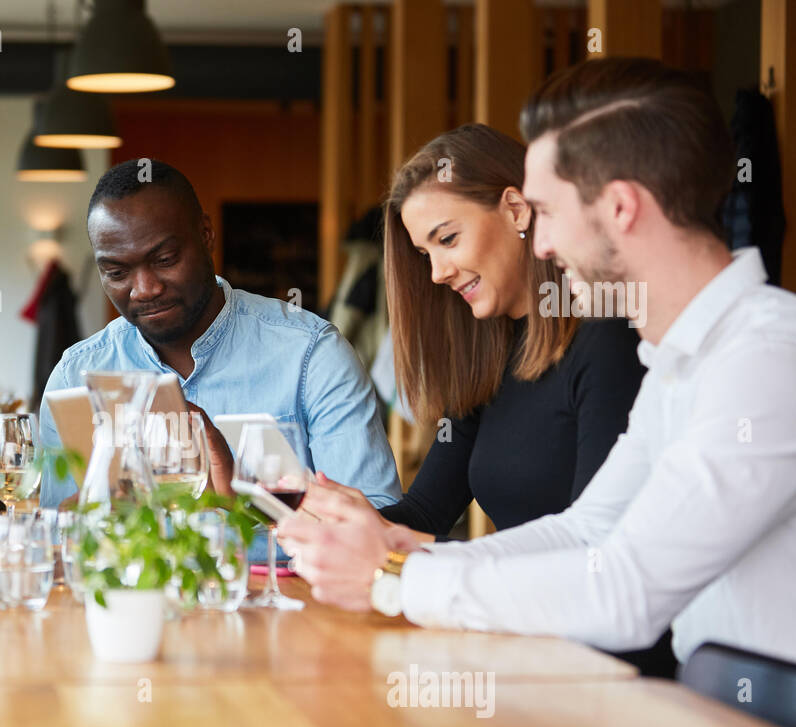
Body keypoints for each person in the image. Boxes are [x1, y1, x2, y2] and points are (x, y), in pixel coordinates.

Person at [281, 57, 796, 667]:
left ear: (620, 208)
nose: (542, 242)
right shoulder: (679, 360)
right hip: (709, 721)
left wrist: (395, 574)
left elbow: (627, 589)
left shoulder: (766, 354)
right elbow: (585, 534)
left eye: (547, 211)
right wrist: (401, 554)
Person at [321, 123, 645, 542]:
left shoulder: (606, 342)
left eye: (448, 239)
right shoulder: (489, 355)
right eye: (425, 254)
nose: (437, 273)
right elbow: (425, 513)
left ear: (515, 209)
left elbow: (593, 544)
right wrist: (337, 519)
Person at [38, 159, 400, 513]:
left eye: (165, 260)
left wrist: (247, 502)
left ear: (206, 235)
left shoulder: (311, 354)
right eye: (117, 273)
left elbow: (375, 523)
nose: (144, 289)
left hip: (282, 574)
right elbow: (56, 536)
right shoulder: (74, 378)